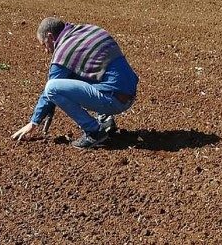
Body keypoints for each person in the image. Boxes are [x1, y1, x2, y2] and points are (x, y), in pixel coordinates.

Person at [11, 17, 139, 149]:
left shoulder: (63, 52)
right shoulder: (90, 31)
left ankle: (94, 132)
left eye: (44, 44)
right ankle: (105, 119)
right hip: (129, 94)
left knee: (52, 88)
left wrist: (33, 122)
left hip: (114, 101)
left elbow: (50, 90)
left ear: (50, 37)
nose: (46, 51)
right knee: (83, 71)